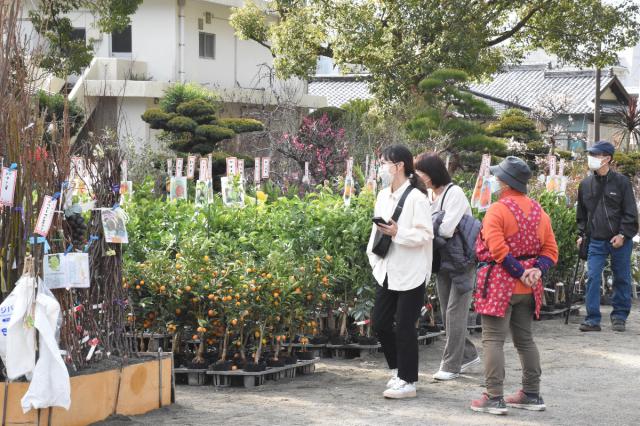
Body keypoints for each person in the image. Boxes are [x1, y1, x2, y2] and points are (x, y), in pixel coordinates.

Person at [470, 156, 558, 415]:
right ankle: (531, 393)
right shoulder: (539, 211)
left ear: (505, 182)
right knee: (525, 340)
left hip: (500, 284)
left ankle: (494, 397)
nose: (495, 181)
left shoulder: (497, 210)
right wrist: (533, 272)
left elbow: (497, 250)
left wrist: (519, 272)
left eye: (498, 178)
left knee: (493, 340)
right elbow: (551, 251)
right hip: (528, 288)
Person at [367, 145, 433, 399]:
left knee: (405, 325)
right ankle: (397, 369)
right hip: (386, 269)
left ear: (399, 166)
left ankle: (408, 381)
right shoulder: (383, 195)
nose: (382, 167)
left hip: (412, 270)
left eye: (385, 162)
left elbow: (426, 234)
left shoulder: (417, 197)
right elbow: (376, 230)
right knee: (381, 323)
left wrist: (399, 234)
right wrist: (373, 258)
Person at [414, 153, 480, 381]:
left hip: (462, 261)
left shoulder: (455, 193)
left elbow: (446, 229)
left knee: (455, 312)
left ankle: (451, 365)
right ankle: (469, 354)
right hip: (442, 260)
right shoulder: (429, 195)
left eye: (421, 174)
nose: (419, 178)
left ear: (432, 173)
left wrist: (426, 228)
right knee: (446, 311)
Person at [576, 141, 639, 332]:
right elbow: (582, 214)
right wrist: (581, 234)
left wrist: (623, 234)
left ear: (607, 158)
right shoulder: (585, 184)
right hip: (595, 239)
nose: (592, 158)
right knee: (593, 277)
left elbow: (630, 213)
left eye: (596, 155)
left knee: (622, 277)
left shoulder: (622, 182)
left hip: (620, 240)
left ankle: (619, 316)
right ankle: (592, 319)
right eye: (591, 154)